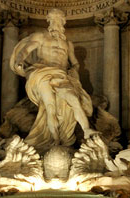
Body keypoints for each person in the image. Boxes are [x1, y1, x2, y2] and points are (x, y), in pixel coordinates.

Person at [9, 9, 94, 153]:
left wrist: (74, 70)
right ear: (48, 21)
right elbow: (26, 50)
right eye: (53, 20)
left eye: (59, 20)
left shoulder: (68, 43)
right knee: (50, 107)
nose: (57, 23)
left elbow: (75, 63)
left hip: (61, 75)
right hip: (42, 72)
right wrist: (20, 60)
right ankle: (55, 141)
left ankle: (86, 130)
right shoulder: (41, 36)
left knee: (73, 99)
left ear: (63, 22)